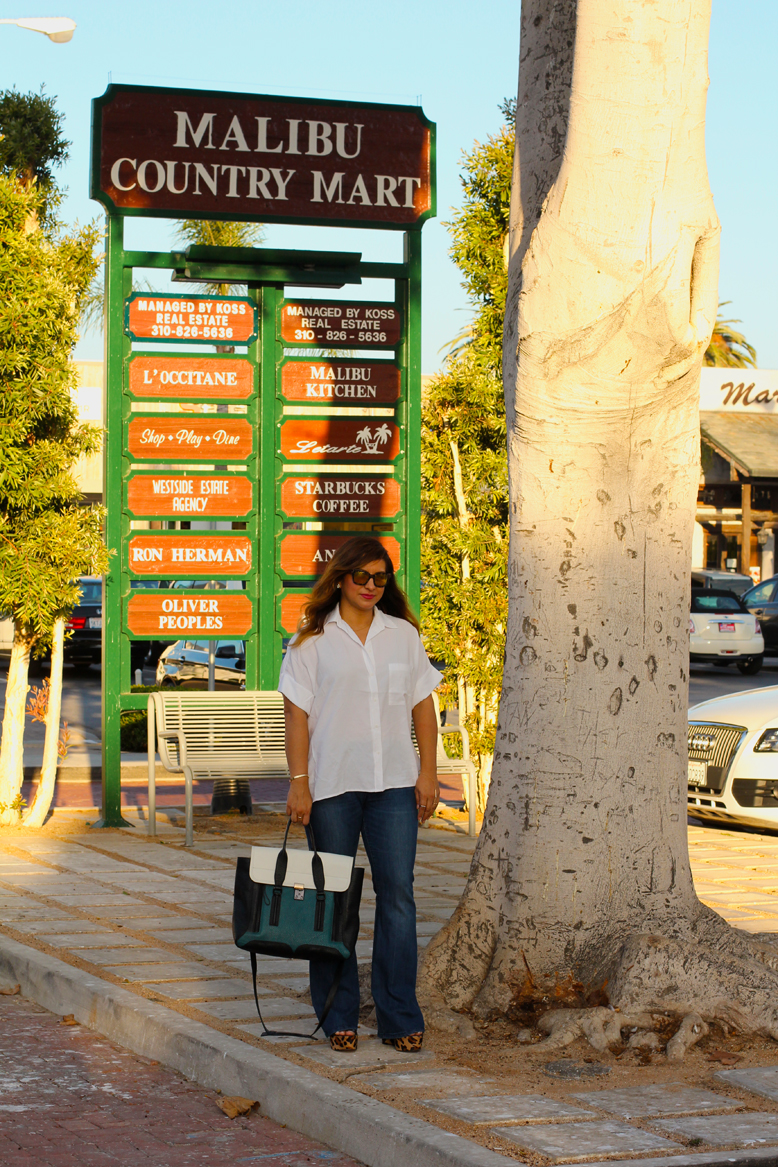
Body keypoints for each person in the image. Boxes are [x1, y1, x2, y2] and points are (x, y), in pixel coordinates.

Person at [278, 536, 441, 1053]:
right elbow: (296, 718)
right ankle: (338, 1016)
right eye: (361, 576)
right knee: (335, 902)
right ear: (340, 578)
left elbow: (422, 709)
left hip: (394, 782)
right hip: (331, 787)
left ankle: (399, 1016)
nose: (371, 586)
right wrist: (299, 784)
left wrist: (429, 773)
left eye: (380, 577)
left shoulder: (403, 637)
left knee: (398, 898)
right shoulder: (311, 642)